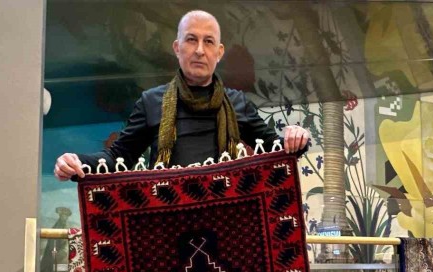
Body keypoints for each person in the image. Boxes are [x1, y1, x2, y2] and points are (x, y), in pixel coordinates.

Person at [54, 10, 311, 181]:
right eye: (191, 40)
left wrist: (298, 137)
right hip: (166, 226)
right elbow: (117, 158)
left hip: (226, 224)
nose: (199, 50)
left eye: (208, 42)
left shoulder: (237, 103)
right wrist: (77, 162)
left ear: (219, 52)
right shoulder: (151, 102)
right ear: (177, 48)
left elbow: (277, 150)